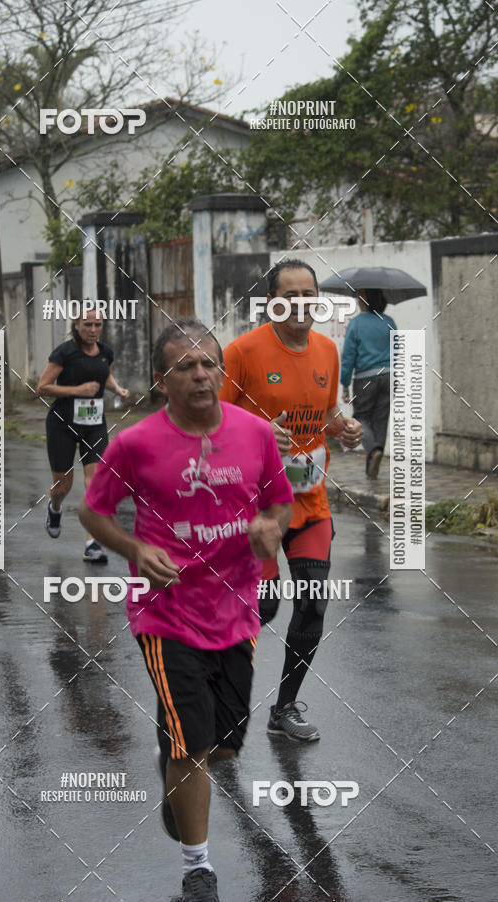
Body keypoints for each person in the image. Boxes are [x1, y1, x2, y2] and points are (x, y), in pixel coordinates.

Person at [79, 319, 293, 902]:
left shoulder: (255, 434)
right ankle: (197, 866)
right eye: (186, 367)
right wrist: (136, 549)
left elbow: (281, 504)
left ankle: (173, 763)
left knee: (223, 745)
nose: (201, 375)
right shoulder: (136, 443)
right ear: (161, 381)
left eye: (209, 364)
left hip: (236, 610)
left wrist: (271, 530)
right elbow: (93, 512)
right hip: (165, 613)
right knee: (192, 747)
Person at [220, 260, 363, 742]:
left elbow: (324, 417)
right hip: (255, 506)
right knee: (264, 608)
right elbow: (209, 423)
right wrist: (258, 434)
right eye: (291, 294)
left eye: (309, 293)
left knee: (313, 604)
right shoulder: (242, 353)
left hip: (310, 500)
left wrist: (343, 430)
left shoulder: (327, 350)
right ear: (272, 302)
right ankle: (224, 690)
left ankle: (283, 709)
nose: (301, 303)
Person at [37, 303, 129, 561]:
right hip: (62, 423)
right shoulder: (64, 353)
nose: (92, 329)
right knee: (63, 485)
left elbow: (104, 377)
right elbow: (42, 387)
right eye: (87, 324)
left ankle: (92, 543)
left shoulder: (106, 352)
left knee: (95, 481)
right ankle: (55, 508)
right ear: (76, 326)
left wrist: (117, 389)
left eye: (97, 324)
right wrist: (77, 390)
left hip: (94, 424)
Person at [341, 289, 396, 479]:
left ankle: (373, 451)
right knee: (381, 419)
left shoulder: (356, 323)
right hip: (389, 376)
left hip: (365, 377)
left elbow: (348, 356)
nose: (357, 300)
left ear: (365, 299)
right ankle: (374, 461)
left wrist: (345, 384)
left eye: (359, 297)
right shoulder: (389, 322)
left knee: (361, 417)